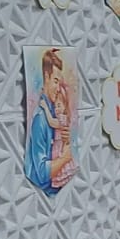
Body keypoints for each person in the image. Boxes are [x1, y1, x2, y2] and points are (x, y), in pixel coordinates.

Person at [26, 48, 74, 195]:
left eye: (60, 82)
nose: (58, 88)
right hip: (43, 191)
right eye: (55, 81)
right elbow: (42, 173)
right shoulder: (40, 118)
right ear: (46, 77)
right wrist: (65, 158)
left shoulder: (56, 108)